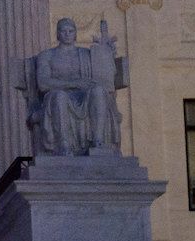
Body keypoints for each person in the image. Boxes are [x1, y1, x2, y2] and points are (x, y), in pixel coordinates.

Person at [21, 18, 124, 156]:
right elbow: (43, 84)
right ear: (57, 34)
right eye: (63, 31)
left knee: (99, 92)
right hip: (56, 98)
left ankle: (98, 141)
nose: (67, 34)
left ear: (75, 34)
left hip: (84, 98)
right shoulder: (46, 56)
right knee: (59, 96)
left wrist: (107, 55)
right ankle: (64, 145)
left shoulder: (86, 54)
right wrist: (74, 83)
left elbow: (104, 77)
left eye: (71, 31)